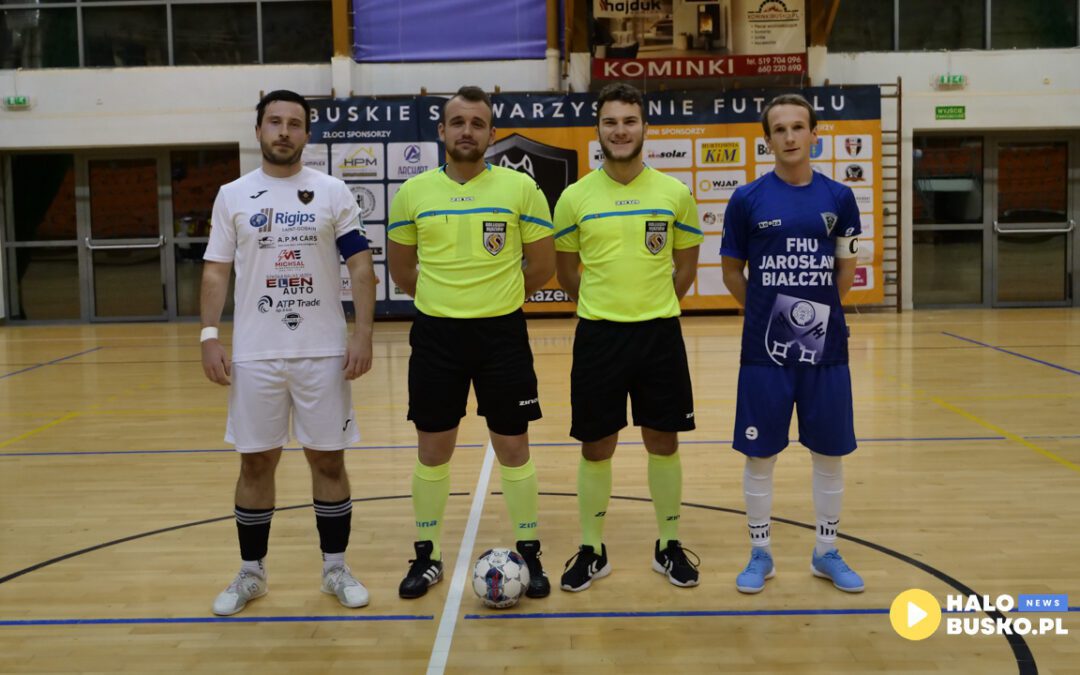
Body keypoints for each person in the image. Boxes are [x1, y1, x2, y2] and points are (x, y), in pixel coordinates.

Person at [200, 89, 377, 615]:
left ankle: (335, 568)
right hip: (255, 354)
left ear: (307, 133)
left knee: (328, 458)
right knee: (256, 462)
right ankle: (251, 573)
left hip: (322, 351)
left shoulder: (332, 192)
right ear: (258, 131)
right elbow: (216, 269)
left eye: (294, 123)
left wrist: (362, 333)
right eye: (274, 122)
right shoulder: (232, 195)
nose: (283, 131)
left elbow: (362, 265)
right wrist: (209, 336)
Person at [386, 86, 555, 600]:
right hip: (437, 336)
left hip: (501, 334)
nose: (467, 131)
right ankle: (427, 554)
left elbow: (543, 267)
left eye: (477, 123)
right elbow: (402, 272)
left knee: (513, 446)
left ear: (491, 133)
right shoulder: (413, 193)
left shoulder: (520, 189)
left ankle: (529, 550)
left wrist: (494, 299)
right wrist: (448, 301)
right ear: (441, 131)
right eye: (457, 122)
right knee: (434, 450)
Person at [553, 82, 703, 592]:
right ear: (598, 129)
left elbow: (684, 268)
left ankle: (669, 544)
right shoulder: (574, 198)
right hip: (599, 336)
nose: (621, 130)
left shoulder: (674, 193)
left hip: (659, 334)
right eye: (611, 121)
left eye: (630, 121)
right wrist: (607, 305)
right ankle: (592, 549)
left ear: (645, 128)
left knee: (663, 440)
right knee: (597, 445)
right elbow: (569, 272)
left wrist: (652, 304)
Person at [720, 93, 864, 594]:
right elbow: (733, 274)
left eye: (797, 127)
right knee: (760, 456)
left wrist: (816, 315)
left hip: (827, 350)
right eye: (778, 130)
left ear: (813, 135)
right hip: (765, 352)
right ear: (767, 140)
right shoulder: (747, 200)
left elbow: (844, 270)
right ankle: (760, 553)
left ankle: (826, 551)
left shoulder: (839, 199)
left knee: (829, 454)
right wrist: (766, 314)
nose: (789, 137)